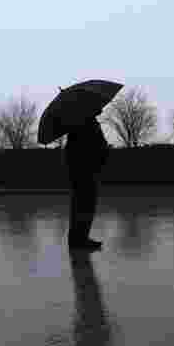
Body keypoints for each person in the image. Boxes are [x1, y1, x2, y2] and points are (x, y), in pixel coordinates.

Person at [65, 101, 110, 250]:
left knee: (83, 206)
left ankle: (79, 239)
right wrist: (101, 152)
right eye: (97, 106)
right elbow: (85, 148)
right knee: (84, 206)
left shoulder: (86, 122)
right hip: (85, 172)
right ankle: (79, 240)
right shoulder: (84, 123)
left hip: (85, 171)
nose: (101, 108)